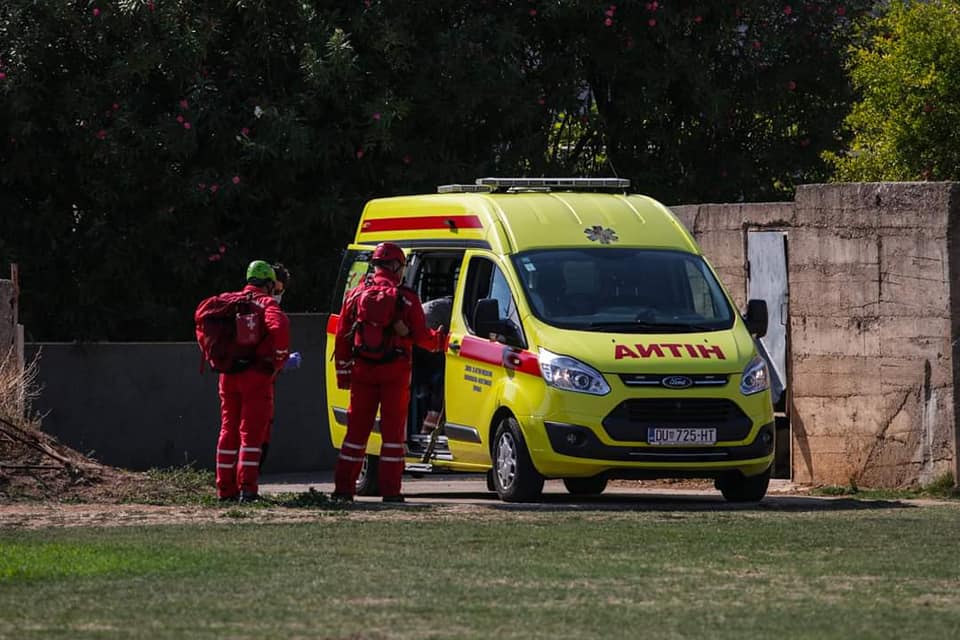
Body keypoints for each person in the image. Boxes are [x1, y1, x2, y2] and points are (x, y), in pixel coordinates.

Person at [332, 242, 445, 502]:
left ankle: (343, 490)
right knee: (393, 436)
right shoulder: (406, 297)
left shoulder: (355, 294)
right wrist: (441, 341)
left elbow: (341, 337)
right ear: (396, 266)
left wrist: (343, 373)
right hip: (395, 373)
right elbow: (421, 337)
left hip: (362, 372)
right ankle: (391, 492)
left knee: (355, 434)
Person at [214, 260, 290, 502]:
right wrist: (279, 359)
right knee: (251, 435)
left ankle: (225, 490)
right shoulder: (266, 303)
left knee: (227, 432)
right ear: (268, 283)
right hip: (256, 376)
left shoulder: (230, 301)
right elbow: (280, 328)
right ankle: (247, 489)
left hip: (228, 375)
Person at [259, 262, 300, 470]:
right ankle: (246, 485)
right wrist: (283, 360)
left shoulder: (246, 305)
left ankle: (241, 484)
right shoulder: (267, 309)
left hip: (261, 377)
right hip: (260, 378)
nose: (278, 294)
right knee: (255, 432)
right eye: (277, 289)